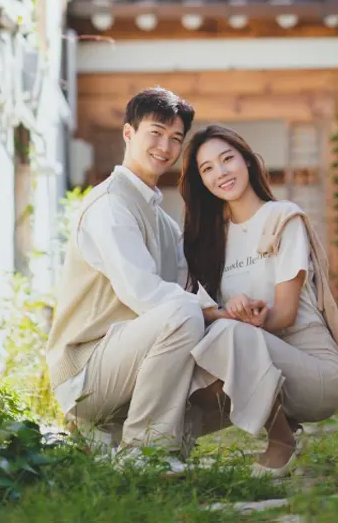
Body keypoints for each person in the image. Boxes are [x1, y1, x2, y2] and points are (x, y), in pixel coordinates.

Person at [47, 87, 220, 465]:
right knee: (185, 314)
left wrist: (231, 314)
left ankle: (128, 439)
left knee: (232, 339)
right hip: (85, 370)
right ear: (129, 133)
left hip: (126, 360)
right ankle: (143, 452)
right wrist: (210, 311)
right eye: (155, 133)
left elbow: (185, 288)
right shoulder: (111, 204)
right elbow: (143, 293)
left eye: (175, 138)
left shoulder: (163, 222)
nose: (165, 147)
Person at [180, 124, 338, 477]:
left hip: (314, 370)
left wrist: (247, 320)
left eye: (227, 159)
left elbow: (285, 314)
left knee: (229, 333)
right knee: (188, 359)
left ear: (247, 161)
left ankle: (281, 442)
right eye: (207, 168)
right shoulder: (211, 240)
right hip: (259, 360)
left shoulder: (283, 217)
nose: (220, 172)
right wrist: (230, 312)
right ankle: (163, 441)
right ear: (202, 181)